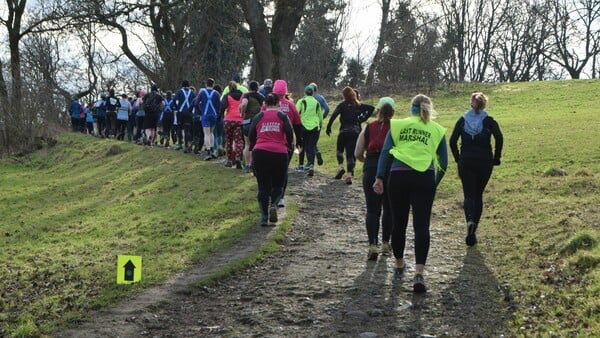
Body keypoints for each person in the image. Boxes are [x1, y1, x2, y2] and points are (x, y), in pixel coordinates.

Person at [373, 94, 448, 293]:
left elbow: (385, 153)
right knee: (422, 225)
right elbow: (444, 164)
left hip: (398, 177)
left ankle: (399, 263)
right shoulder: (437, 129)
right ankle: (419, 273)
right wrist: (434, 182)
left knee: (399, 223)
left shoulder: (397, 125)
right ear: (428, 109)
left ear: (411, 108)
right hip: (424, 177)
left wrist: (379, 177)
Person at [449, 92, 503, 247]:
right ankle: (474, 230)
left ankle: (469, 221)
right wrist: (496, 157)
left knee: (468, 195)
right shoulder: (489, 121)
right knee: (478, 195)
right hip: (484, 161)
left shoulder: (462, 120)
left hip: (466, 160)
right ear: (484, 104)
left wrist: (458, 158)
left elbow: (452, 141)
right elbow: (499, 137)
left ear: (471, 103)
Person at [355, 97, 395, 261]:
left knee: (372, 209)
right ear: (393, 112)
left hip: (371, 167)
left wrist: (367, 162)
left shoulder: (368, 127)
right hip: (391, 168)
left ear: (378, 110)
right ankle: (386, 243)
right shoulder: (397, 128)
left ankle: (373, 245)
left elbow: (357, 153)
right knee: (389, 207)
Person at [248, 92, 294, 226]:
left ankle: (264, 216)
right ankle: (273, 204)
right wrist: (288, 145)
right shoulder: (282, 116)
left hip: (260, 152)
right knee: (279, 184)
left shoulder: (259, 116)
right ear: (278, 103)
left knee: (263, 187)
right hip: (279, 153)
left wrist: (253, 146)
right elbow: (289, 132)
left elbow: (251, 134)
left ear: (265, 104)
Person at [326, 86, 375, 184]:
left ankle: (340, 167)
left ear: (344, 95)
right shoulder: (358, 105)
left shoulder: (342, 105)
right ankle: (349, 175)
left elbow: (334, 115)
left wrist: (328, 127)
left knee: (339, 150)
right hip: (355, 132)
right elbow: (371, 108)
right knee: (350, 154)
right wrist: (362, 119)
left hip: (343, 131)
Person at [270, 79, 302, 207]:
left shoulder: (266, 105)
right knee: (283, 170)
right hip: (287, 144)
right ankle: (281, 196)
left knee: (270, 170)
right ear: (285, 91)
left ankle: (272, 193)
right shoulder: (291, 105)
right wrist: (299, 141)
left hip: (270, 142)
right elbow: (298, 125)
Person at [297, 82, 329, 171]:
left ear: (305, 92)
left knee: (303, 146)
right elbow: (321, 115)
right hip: (315, 127)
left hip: (303, 126)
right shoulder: (317, 102)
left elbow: (296, 113)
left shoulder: (302, 101)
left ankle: (301, 165)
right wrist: (319, 123)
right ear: (313, 92)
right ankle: (311, 165)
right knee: (311, 146)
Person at [239, 80, 265, 172]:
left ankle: (247, 166)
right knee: (257, 144)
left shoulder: (246, 95)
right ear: (257, 88)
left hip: (247, 122)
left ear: (249, 87)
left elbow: (244, 104)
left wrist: (242, 112)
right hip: (258, 122)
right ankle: (255, 164)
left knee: (247, 144)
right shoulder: (261, 97)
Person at [195, 78, 221, 160]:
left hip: (205, 115)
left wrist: (200, 111)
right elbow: (220, 104)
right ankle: (213, 150)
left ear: (206, 84)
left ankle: (208, 152)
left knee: (206, 133)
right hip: (213, 115)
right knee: (211, 133)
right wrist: (217, 112)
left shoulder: (202, 92)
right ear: (213, 84)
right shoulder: (216, 93)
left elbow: (196, 103)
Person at [220, 81, 244, 169]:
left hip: (229, 120)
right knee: (238, 140)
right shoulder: (242, 96)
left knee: (229, 140)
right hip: (239, 120)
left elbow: (223, 106)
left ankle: (229, 161)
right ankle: (238, 158)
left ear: (229, 88)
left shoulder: (227, 96)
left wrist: (222, 114)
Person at [174, 80, 196, 151]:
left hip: (180, 112)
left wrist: (178, 108)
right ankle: (186, 145)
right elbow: (195, 102)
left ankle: (180, 144)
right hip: (189, 113)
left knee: (179, 128)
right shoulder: (192, 93)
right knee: (187, 129)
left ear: (182, 85)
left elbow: (176, 102)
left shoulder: (179, 92)